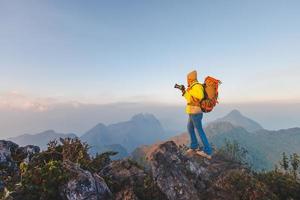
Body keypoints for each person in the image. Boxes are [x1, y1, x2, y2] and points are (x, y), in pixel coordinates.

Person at [181, 70, 212, 159]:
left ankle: (207, 151)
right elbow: (190, 99)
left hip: (196, 113)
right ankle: (194, 146)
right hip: (192, 112)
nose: (187, 81)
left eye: (188, 79)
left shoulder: (197, 86)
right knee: (190, 128)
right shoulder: (192, 87)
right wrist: (184, 91)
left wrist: (189, 91)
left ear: (190, 78)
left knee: (199, 131)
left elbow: (200, 95)